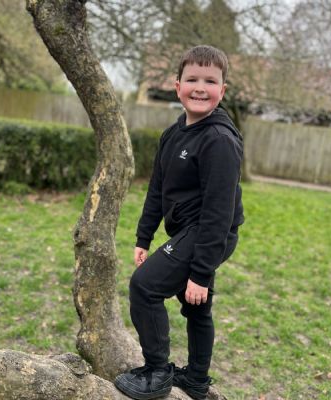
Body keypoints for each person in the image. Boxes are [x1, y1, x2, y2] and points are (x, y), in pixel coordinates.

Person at [115, 45, 245, 400]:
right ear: (177, 86)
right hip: (192, 230)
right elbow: (157, 189)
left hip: (210, 231)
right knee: (196, 306)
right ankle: (197, 381)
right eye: (192, 79)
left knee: (144, 287)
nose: (200, 88)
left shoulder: (219, 140)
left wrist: (200, 272)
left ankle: (157, 372)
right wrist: (143, 236)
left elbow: (219, 213)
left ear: (222, 90)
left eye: (210, 81)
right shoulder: (173, 134)